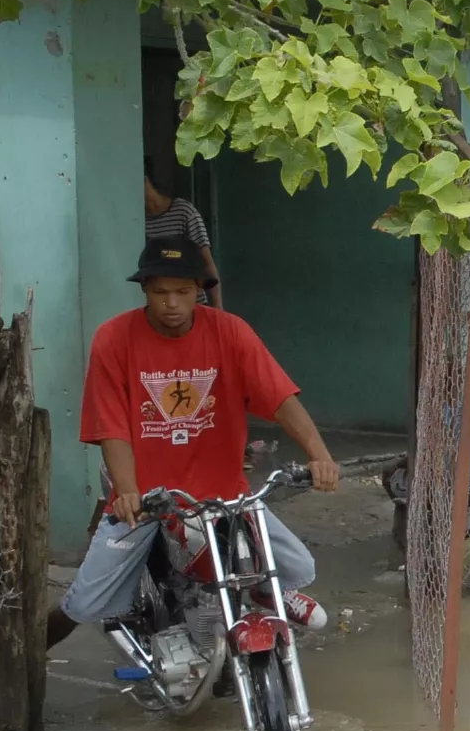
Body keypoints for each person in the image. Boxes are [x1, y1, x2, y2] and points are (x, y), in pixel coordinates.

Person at [57, 240, 340, 683]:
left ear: (199, 291)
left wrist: (319, 456)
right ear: (145, 289)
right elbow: (112, 426)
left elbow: (280, 398)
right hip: (149, 497)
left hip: (224, 494)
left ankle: (263, 594)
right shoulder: (113, 338)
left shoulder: (230, 332)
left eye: (183, 292)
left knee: (299, 568)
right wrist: (128, 491)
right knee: (85, 604)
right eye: (160, 292)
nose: (172, 303)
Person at [145, 161, 221, 295]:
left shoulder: (183, 212)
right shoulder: (136, 220)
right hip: (159, 299)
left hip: (190, 298)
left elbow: (207, 262)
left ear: (145, 182)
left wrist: (217, 305)